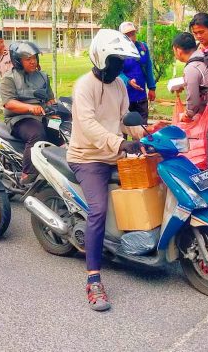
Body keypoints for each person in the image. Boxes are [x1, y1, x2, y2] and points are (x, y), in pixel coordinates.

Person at [67, 29, 144, 311]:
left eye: (122, 61)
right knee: (98, 209)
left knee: (149, 185)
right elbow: (88, 126)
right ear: (101, 58)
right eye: (115, 61)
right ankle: (93, 279)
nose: (120, 66)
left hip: (114, 152)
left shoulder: (120, 85)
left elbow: (125, 118)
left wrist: (143, 135)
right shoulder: (84, 86)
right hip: (88, 158)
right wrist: (120, 143)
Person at [172, 32, 208, 173]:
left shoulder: (192, 67)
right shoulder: (205, 57)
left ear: (178, 50)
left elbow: (193, 101)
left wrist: (187, 115)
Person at [0, 41, 56, 184]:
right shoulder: (8, 78)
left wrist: (55, 111)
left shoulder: (42, 76)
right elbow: (9, 103)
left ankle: (58, 169)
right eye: (28, 59)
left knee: (60, 130)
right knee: (37, 134)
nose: (33, 62)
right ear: (18, 61)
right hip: (20, 119)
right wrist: (30, 108)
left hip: (43, 116)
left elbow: (50, 99)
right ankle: (28, 174)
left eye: (34, 58)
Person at [118, 21, 157, 123]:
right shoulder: (118, 51)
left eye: (133, 33)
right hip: (125, 97)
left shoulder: (143, 47)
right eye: (127, 35)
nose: (131, 37)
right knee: (124, 128)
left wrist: (152, 88)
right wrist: (128, 81)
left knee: (142, 127)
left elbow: (148, 67)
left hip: (141, 96)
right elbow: (117, 72)